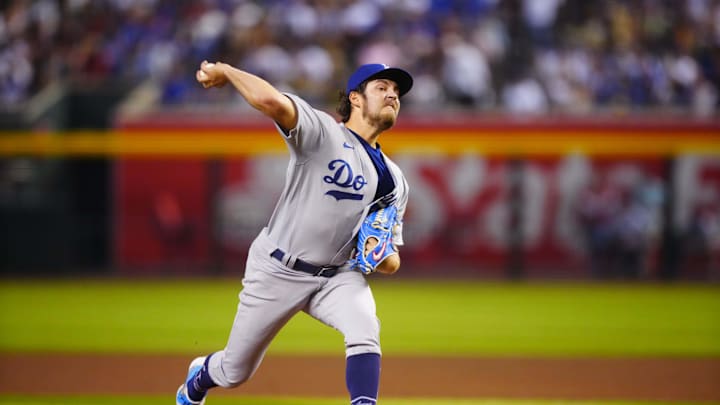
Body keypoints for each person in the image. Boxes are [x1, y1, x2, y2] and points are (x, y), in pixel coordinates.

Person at [175, 61, 413, 405]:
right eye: (382, 87)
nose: (393, 94)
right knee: (234, 371)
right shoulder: (322, 133)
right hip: (278, 268)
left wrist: (379, 252)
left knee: (365, 328)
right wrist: (226, 72)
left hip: (337, 276)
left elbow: (390, 260)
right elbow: (271, 102)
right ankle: (196, 383)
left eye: (396, 91)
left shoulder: (394, 180)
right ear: (356, 99)